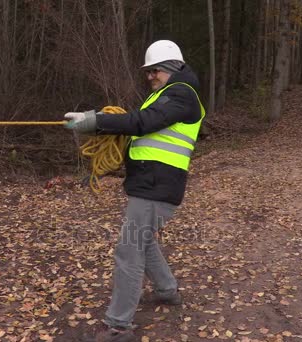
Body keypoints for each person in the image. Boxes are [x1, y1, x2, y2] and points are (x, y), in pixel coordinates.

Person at [63, 40, 205, 342]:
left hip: (157, 186)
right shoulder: (167, 95)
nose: (149, 76)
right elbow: (141, 123)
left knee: (129, 250)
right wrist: (99, 123)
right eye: (148, 72)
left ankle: (118, 326)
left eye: (153, 70)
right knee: (143, 242)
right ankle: (167, 291)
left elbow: (142, 122)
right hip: (151, 184)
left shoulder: (181, 94)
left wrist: (95, 121)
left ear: (169, 67)